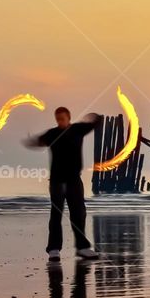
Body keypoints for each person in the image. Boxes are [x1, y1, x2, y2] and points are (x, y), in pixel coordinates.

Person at [23, 107, 100, 260]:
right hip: (57, 181)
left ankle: (82, 248)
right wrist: (32, 141)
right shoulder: (52, 134)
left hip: (74, 180)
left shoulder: (78, 129)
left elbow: (96, 122)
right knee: (56, 214)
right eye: (58, 119)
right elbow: (39, 141)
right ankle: (53, 249)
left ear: (68, 118)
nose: (60, 121)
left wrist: (93, 116)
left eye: (62, 119)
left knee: (78, 214)